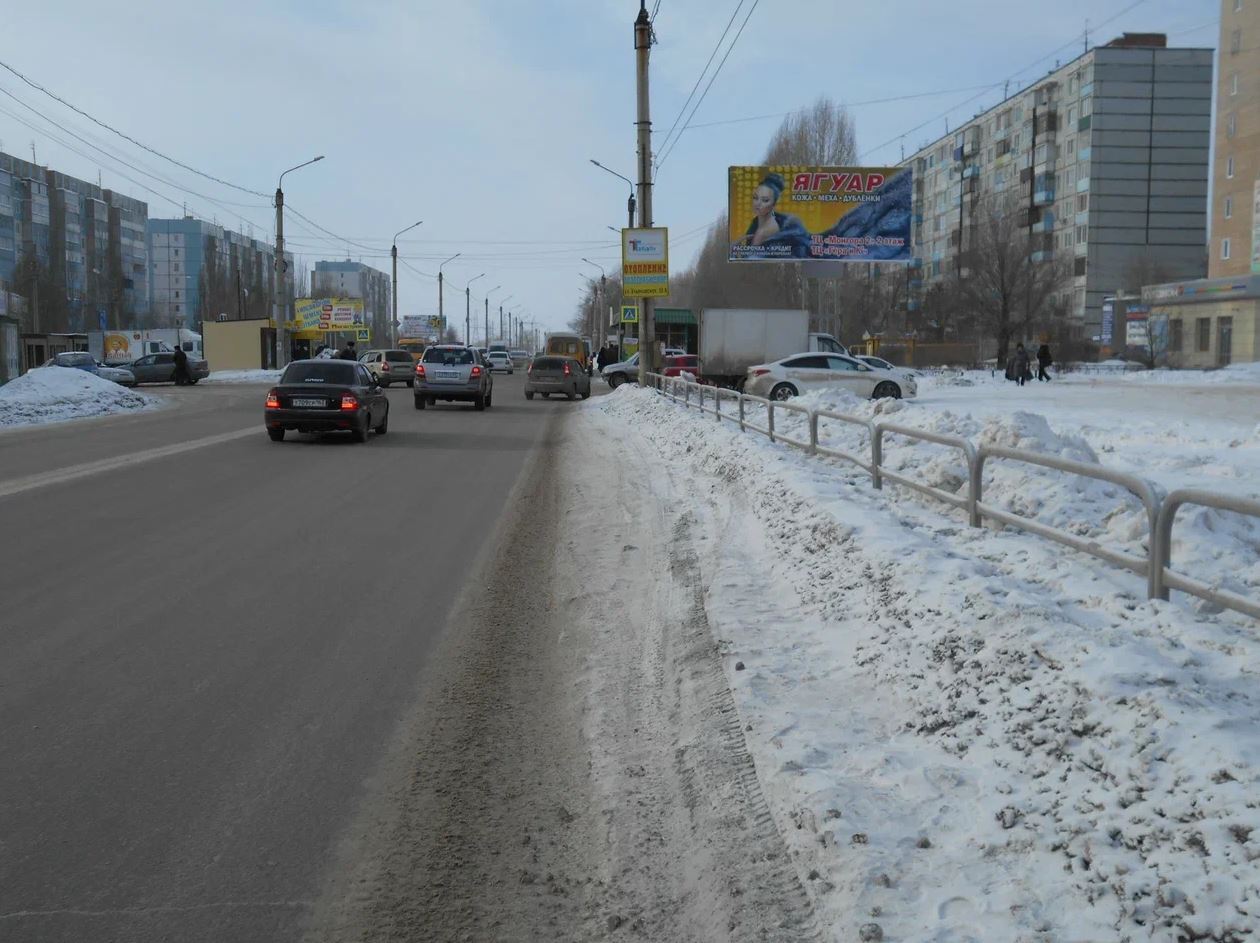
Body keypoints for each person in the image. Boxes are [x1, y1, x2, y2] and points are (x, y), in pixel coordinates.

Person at [736, 172, 810, 257]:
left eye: (765, 200)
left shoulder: (770, 231)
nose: (758, 203)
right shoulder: (755, 225)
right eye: (755, 198)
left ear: (774, 204)